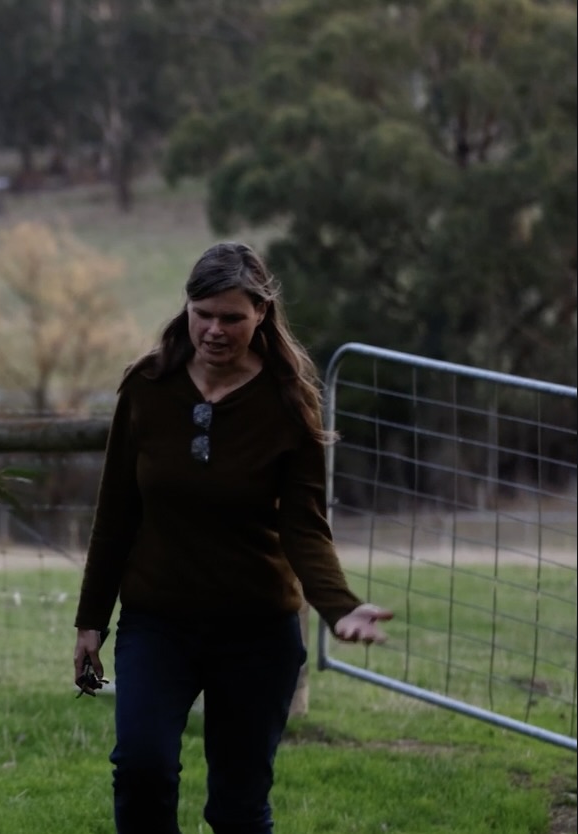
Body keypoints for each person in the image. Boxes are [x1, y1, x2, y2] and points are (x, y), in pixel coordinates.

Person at [71, 241, 393, 834]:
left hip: (255, 632)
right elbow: (116, 511)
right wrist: (91, 620)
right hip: (157, 624)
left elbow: (305, 527)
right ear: (187, 308)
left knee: (238, 806)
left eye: (232, 318)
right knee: (142, 770)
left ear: (261, 315)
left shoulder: (289, 402)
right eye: (203, 314)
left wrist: (340, 607)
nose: (215, 330)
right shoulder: (146, 387)